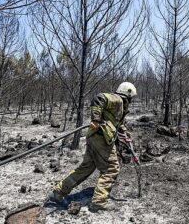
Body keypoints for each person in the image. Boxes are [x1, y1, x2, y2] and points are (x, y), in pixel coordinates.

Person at [48, 82, 137, 212]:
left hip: (94, 137)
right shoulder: (117, 99)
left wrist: (124, 133)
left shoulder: (120, 106)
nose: (132, 100)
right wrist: (95, 119)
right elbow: (99, 98)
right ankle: (99, 202)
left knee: (86, 168)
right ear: (128, 94)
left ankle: (58, 193)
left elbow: (115, 122)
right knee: (111, 169)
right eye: (132, 97)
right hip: (102, 138)